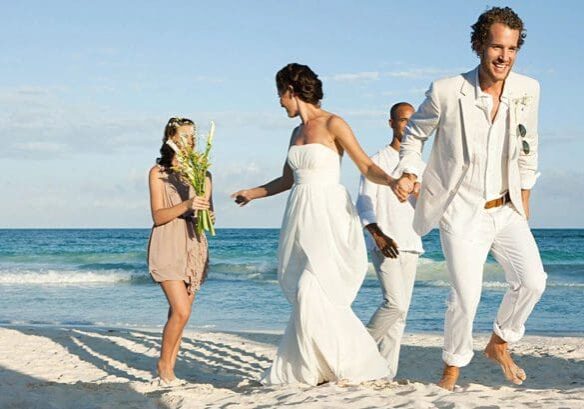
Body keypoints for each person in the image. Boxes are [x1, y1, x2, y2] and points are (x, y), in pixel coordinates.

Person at [391, 7, 547, 391]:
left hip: (506, 207)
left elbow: (529, 146)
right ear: (479, 45)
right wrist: (410, 171)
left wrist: (523, 200)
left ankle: (500, 342)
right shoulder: (447, 91)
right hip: (461, 211)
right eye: (496, 47)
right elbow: (414, 135)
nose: (504, 57)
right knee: (466, 294)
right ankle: (452, 369)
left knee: (533, 282)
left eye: (511, 49)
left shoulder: (528, 89)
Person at [232, 63, 395, 385]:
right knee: (309, 293)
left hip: (329, 214)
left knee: (313, 287)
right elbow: (288, 179)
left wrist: (392, 182)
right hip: (300, 216)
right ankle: (318, 368)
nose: (279, 102)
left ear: (291, 91)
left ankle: (349, 363)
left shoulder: (334, 123)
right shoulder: (295, 133)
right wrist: (253, 193)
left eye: (280, 95)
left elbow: (366, 165)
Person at [356, 102, 424, 380]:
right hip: (386, 242)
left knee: (401, 315)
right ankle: (355, 349)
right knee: (393, 305)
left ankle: (384, 374)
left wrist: (422, 193)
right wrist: (377, 234)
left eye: (412, 122)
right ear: (392, 123)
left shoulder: (420, 165)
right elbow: (363, 202)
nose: (407, 126)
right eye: (403, 121)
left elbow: (429, 209)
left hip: (412, 242)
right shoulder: (377, 161)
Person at [147, 117, 213, 385]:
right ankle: (164, 366)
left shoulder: (204, 174)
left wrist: (206, 214)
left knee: (179, 315)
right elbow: (158, 216)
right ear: (171, 139)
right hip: (167, 242)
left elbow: (209, 213)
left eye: (193, 136)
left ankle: (170, 370)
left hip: (194, 245)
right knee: (182, 310)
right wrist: (187, 204)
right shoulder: (158, 173)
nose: (190, 141)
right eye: (184, 136)